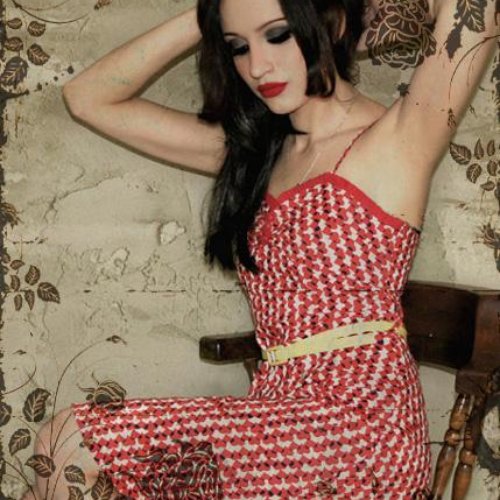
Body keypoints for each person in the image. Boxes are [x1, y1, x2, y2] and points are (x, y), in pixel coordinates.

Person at [23, 0, 498, 498]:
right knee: (59, 447)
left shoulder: (400, 138)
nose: (258, 66)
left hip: (362, 429)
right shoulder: (256, 155)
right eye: (238, 46)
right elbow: (87, 98)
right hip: (276, 409)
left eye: (276, 35)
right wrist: (212, 11)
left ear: (329, 23)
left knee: (71, 443)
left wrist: (350, 19)